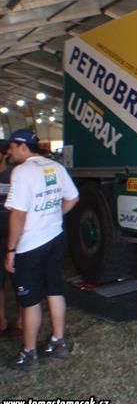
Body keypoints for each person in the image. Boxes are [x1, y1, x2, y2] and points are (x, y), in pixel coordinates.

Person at [4, 129, 79, 371]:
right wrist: (53, 216)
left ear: (22, 146)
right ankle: (58, 341)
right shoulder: (55, 167)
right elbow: (73, 198)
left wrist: (11, 249)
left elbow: (18, 215)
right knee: (55, 290)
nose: (9, 152)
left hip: (30, 245)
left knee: (30, 301)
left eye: (12, 147)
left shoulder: (22, 171)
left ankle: (30, 353)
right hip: (56, 237)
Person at [0, 139, 22, 339]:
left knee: (19, 278)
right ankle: (1, 320)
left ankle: (21, 322)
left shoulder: (15, 175)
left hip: (14, 234)